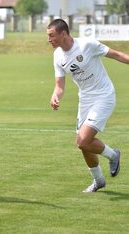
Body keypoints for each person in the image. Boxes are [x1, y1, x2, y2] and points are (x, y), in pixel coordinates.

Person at [47, 19, 127, 193]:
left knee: (83, 140)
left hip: (103, 96)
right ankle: (98, 181)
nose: (49, 39)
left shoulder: (86, 45)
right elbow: (59, 86)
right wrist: (55, 95)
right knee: (82, 143)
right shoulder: (57, 56)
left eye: (51, 35)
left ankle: (114, 155)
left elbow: (116, 55)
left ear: (63, 33)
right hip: (85, 99)